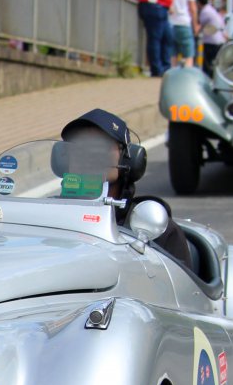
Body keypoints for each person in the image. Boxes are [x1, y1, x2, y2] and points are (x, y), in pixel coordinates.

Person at [58, 108, 193, 268]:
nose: (88, 155)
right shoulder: (47, 216)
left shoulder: (155, 228)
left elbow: (179, 288)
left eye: (100, 146)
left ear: (129, 160)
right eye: (79, 146)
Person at [167, 0, 199, 67]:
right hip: (183, 23)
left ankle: (172, 75)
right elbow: (193, 9)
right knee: (188, 54)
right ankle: (187, 76)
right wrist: (195, 25)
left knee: (172, 54)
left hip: (169, 23)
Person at [198, 0, 226, 75]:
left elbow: (200, 26)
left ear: (199, 3)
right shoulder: (212, 9)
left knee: (207, 65)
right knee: (217, 63)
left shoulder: (205, 11)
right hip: (219, 40)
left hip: (211, 41)